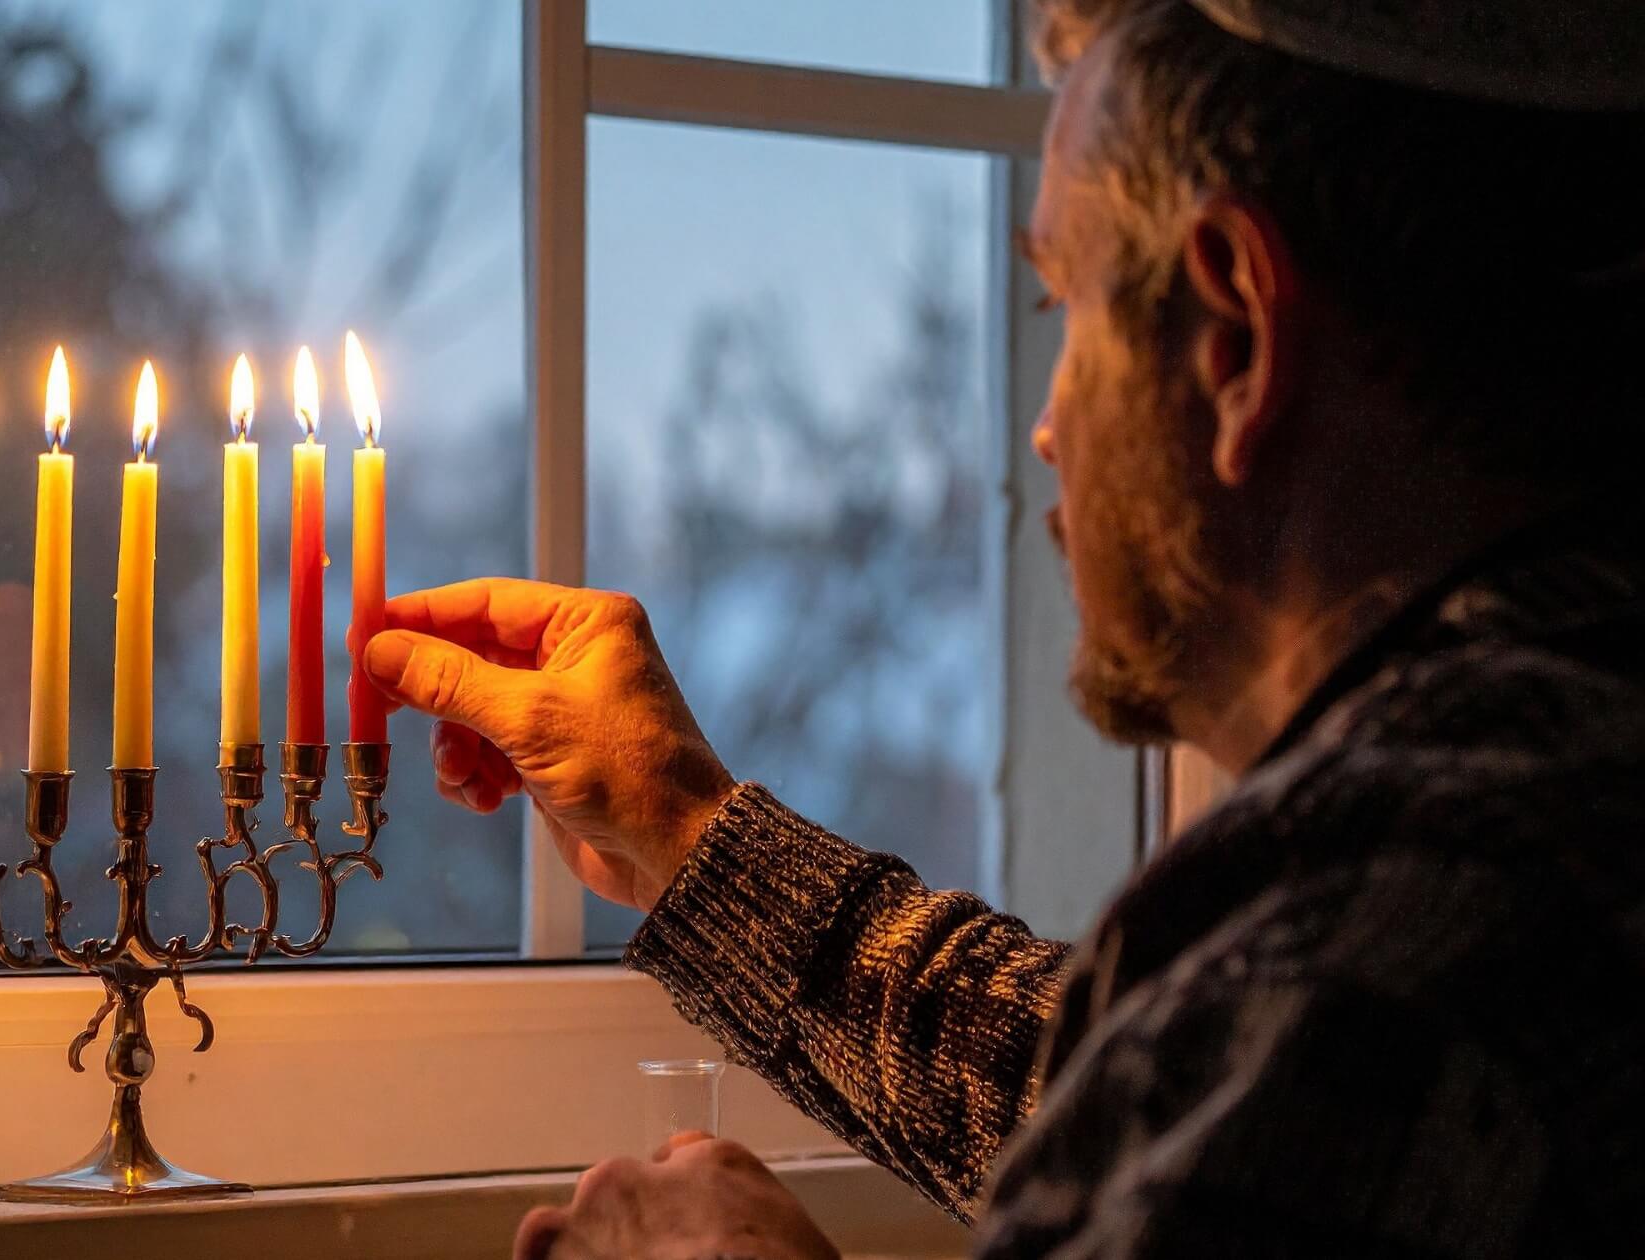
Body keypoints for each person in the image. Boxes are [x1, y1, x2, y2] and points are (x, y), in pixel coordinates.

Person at [361, 1, 1645, 1255]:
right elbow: (1115, 1085)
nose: (1043, 428)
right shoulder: (1529, 798)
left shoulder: (1408, 947)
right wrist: (687, 833)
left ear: (1234, 337)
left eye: (1063, 307)